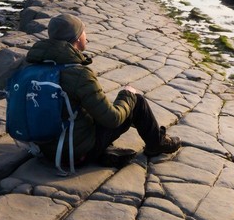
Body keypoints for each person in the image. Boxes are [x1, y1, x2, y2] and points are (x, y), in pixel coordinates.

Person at [24, 12, 180, 167]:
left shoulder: (32, 67)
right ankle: (156, 144)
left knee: (87, 109)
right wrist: (128, 95)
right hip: (73, 152)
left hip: (42, 148)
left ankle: (103, 153)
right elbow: (112, 119)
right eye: (84, 32)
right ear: (78, 38)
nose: (87, 36)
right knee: (136, 101)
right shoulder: (78, 74)